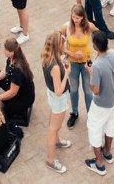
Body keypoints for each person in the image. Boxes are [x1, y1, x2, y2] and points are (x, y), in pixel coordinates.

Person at [84, 30, 114, 175]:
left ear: (95, 46)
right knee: (110, 124)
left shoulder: (97, 65)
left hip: (101, 103)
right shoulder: (113, 53)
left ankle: (99, 163)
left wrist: (90, 72)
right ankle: (107, 152)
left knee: (93, 128)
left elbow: (96, 90)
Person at [40, 30, 73, 174]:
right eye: (63, 43)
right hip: (58, 98)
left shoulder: (47, 56)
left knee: (54, 124)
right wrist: (66, 73)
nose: (65, 44)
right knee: (53, 128)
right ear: (57, 46)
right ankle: (51, 159)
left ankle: (57, 141)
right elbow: (59, 91)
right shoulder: (54, 66)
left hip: (52, 96)